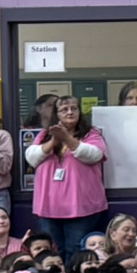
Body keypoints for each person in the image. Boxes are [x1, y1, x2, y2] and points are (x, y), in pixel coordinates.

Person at [26, 95, 109, 255]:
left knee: (75, 250)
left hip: (81, 207)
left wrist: (67, 139)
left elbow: (94, 155)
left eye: (74, 108)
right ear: (56, 114)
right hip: (49, 206)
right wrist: (53, 141)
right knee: (52, 251)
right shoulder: (44, 135)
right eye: (64, 109)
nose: (70, 112)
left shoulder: (91, 134)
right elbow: (32, 158)